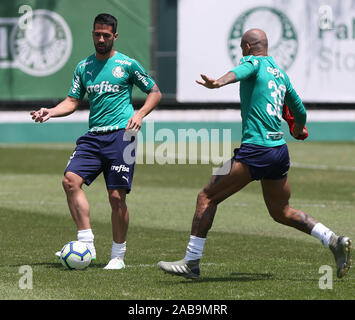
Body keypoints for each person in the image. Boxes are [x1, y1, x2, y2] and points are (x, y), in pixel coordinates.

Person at [157, 28, 351, 279]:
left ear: (248, 47)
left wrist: (217, 83)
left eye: (241, 49)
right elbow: (300, 110)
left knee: (206, 196)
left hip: (255, 151)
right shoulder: (281, 74)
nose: (241, 53)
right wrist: (299, 128)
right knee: (281, 211)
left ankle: (191, 262)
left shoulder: (253, 62)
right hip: (278, 151)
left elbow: (239, 72)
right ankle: (332, 240)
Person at [31, 13, 162, 269]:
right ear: (92, 34)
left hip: (122, 136)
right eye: (96, 34)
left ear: (115, 36)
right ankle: (86, 242)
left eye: (105, 35)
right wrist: (51, 111)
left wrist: (140, 114)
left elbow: (155, 92)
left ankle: (117, 256)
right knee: (70, 181)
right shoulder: (84, 67)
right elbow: (72, 101)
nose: (100, 39)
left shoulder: (127, 65)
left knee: (116, 197)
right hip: (93, 137)